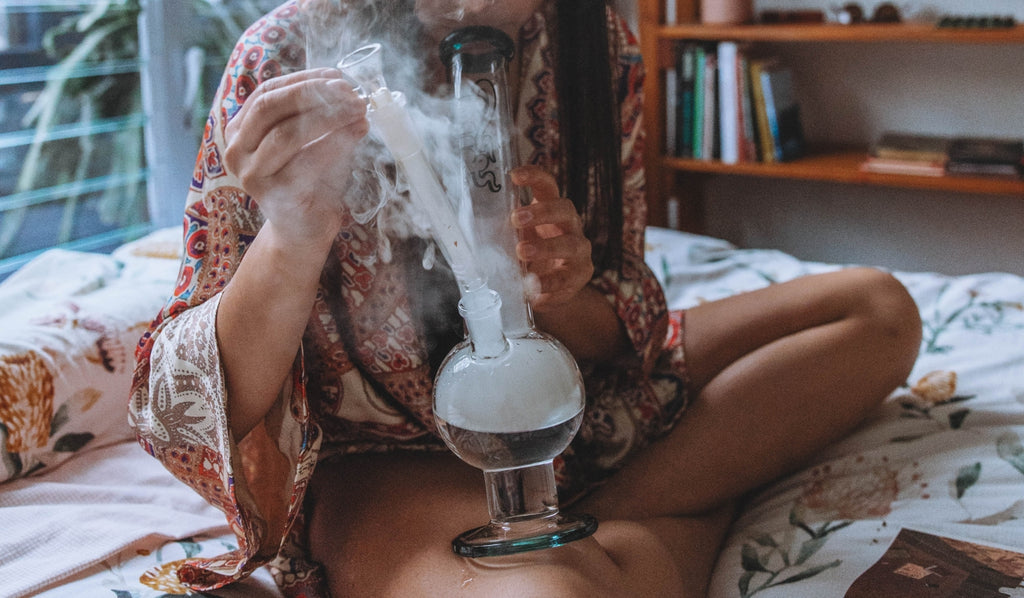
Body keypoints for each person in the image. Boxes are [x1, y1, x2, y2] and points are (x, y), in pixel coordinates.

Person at [129, 1, 923, 596]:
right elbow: (188, 407)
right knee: (552, 593)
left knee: (879, 308)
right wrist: (293, 238)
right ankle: (682, 513)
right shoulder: (286, 59)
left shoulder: (590, 42)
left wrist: (564, 289)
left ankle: (611, 519)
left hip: (569, 399)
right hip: (390, 459)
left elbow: (621, 325)